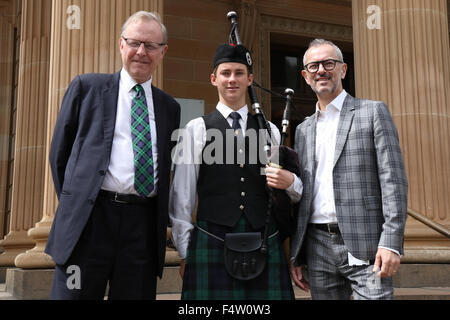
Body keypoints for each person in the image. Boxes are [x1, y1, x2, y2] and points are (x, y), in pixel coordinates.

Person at [46, 11, 180, 300]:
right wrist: (79, 203)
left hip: (142, 229)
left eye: (151, 46)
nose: (141, 52)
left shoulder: (169, 107)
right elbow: (60, 155)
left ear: (163, 52)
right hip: (89, 226)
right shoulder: (86, 88)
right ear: (121, 45)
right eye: (134, 43)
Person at [169, 43, 301, 300]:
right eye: (226, 73)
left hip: (264, 239)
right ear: (213, 79)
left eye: (239, 73)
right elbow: (182, 198)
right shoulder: (196, 129)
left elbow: (288, 190)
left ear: (250, 79)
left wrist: (292, 182)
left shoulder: (270, 130)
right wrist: (185, 252)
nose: (232, 79)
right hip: (212, 239)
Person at [289, 39, 408, 300]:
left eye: (328, 63)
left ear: (343, 70)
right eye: (314, 66)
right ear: (305, 76)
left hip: (368, 244)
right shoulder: (303, 130)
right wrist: (297, 253)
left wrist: (391, 241)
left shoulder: (372, 112)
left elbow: (394, 181)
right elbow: (304, 194)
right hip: (317, 245)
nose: (321, 70)